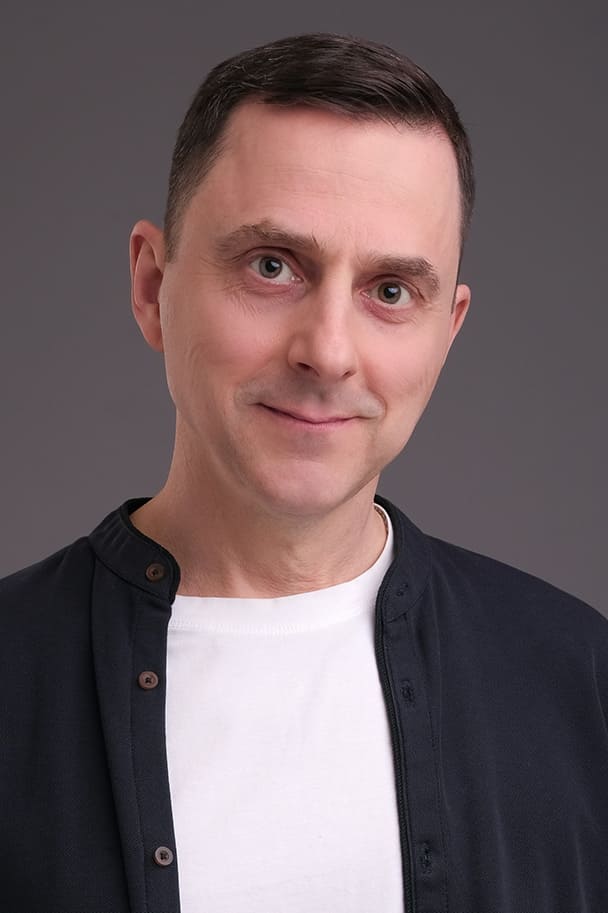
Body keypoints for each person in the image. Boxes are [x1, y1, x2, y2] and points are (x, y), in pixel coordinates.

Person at [1, 31, 607, 913]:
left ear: (447, 333)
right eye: (273, 266)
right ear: (152, 287)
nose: (327, 351)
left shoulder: (578, 679)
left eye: (390, 291)